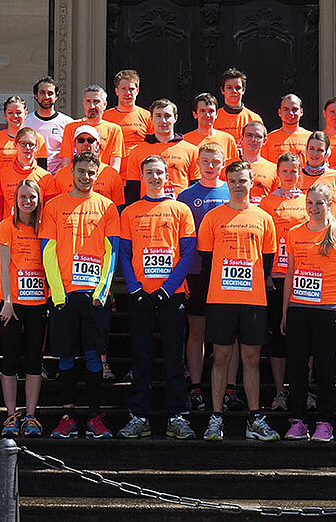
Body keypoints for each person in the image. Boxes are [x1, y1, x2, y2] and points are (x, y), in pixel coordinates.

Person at [117, 155, 197, 440]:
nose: (154, 177)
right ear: (141, 176)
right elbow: (124, 254)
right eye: (149, 172)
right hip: (140, 296)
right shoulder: (129, 212)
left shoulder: (181, 210)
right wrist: (136, 288)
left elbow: (188, 253)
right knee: (141, 356)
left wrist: (168, 287)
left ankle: (178, 415)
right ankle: (139, 416)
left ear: (167, 176)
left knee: (174, 357)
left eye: (159, 172)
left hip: (172, 295)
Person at [198, 161, 279, 442]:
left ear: (251, 181)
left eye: (242, 180)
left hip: (254, 299)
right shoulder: (213, 216)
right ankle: (215, 417)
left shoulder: (263, 217)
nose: (237, 185)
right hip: (220, 298)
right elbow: (206, 260)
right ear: (227, 181)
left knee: (251, 359)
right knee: (220, 358)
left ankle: (255, 418)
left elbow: (267, 260)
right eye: (232, 180)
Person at [41, 151, 120, 439]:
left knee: (93, 356)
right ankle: (68, 416)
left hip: (95, 295)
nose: (86, 176)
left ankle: (95, 415)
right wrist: (58, 294)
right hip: (64, 296)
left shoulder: (108, 207)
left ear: (97, 174)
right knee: (65, 357)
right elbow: (48, 251)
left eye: (91, 172)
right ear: (71, 172)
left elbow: (112, 251)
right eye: (81, 171)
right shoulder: (54, 206)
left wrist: (102, 290)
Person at [281, 184, 336, 443]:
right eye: (310, 203)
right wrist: (284, 312)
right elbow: (289, 275)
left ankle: (325, 422)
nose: (313, 208)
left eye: (319, 203)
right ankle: (297, 420)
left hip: (329, 309)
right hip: (299, 309)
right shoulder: (294, 233)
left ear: (329, 204)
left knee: (325, 370)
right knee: (297, 369)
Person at [177, 143, 230, 412]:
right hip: (196, 272)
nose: (210, 166)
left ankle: (229, 389)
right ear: (197, 164)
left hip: (226, 274)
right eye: (205, 161)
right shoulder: (186, 195)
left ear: (223, 163)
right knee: (196, 330)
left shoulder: (231, 191)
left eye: (215, 161)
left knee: (227, 334)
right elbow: (179, 240)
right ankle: (196, 386)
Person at [0, 179, 47, 437]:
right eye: (23, 197)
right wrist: (6, 301)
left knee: (35, 360)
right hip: (13, 304)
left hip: (39, 301)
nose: (27, 201)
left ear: (39, 199)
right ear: (15, 199)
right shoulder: (7, 226)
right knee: (9, 359)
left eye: (32, 197)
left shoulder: (45, 225)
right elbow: (3, 267)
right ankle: (10, 415)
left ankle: (30, 415)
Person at [259, 153, 307, 411]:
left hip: (306, 278)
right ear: (278, 173)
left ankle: (304, 389)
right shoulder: (267, 202)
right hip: (276, 277)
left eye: (294, 171)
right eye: (285, 171)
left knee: (304, 339)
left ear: (300, 173)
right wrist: (266, 272)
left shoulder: (308, 200)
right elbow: (264, 241)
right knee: (278, 335)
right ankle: (279, 392)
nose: (290, 176)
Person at [124, 98, 199, 202]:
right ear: (151, 119)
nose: (163, 121)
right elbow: (133, 188)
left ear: (175, 118)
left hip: (180, 208)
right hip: (147, 212)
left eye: (167, 116)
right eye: (158, 116)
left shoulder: (191, 151)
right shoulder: (137, 151)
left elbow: (195, 186)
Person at [0, 127, 55, 219]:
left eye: (31, 144)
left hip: (37, 229)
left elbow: (50, 211)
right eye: (23, 144)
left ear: (37, 147)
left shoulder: (46, 177)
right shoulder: (2, 174)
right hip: (10, 229)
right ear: (15, 145)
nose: (27, 148)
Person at [51, 125, 125, 206]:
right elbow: (55, 205)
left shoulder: (112, 174)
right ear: (74, 144)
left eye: (90, 140)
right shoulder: (61, 174)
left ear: (97, 144)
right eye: (81, 140)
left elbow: (117, 208)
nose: (86, 144)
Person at [60, 85, 125, 171]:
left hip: (102, 178)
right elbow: (66, 161)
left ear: (105, 104)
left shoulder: (114, 129)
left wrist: (110, 180)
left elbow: (115, 163)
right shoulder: (71, 127)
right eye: (88, 101)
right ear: (83, 104)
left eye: (96, 101)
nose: (92, 106)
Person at [103, 69, 152, 179]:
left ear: (137, 91)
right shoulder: (105, 117)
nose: (127, 93)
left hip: (139, 175)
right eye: (123, 89)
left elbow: (154, 145)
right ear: (116, 91)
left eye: (131, 89)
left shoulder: (147, 116)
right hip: (112, 174)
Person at [299, 132, 336, 218]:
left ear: (327, 153)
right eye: (311, 149)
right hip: (303, 230)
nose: (314, 153)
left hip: (331, 230)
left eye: (320, 150)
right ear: (306, 150)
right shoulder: (295, 177)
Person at [24, 77, 72, 174]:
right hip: (32, 176)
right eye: (42, 93)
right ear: (35, 96)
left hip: (58, 176)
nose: (46, 97)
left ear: (56, 96)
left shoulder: (68, 123)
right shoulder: (25, 122)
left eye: (50, 93)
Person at [0, 96, 48, 169]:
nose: (15, 116)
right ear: (5, 115)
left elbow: (42, 170)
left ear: (25, 114)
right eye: (10, 113)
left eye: (18, 113)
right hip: (3, 180)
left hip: (29, 180)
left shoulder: (37, 138)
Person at [183, 92, 240, 170]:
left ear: (216, 114)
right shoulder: (185, 140)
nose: (207, 115)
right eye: (202, 111)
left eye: (211, 111)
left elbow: (234, 169)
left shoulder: (228, 139)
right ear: (195, 114)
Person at [214, 67, 263, 146]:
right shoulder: (214, 118)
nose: (234, 91)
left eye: (238, 88)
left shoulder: (254, 119)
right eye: (229, 88)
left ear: (243, 90)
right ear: (222, 90)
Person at [261, 94, 313, 165]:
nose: (290, 113)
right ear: (279, 112)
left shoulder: (311, 138)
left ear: (301, 112)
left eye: (294, 109)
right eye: (286, 109)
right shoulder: (269, 139)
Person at [239, 121, 278, 202]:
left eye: (258, 137)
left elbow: (275, 200)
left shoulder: (274, 169)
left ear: (264, 141)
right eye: (249, 135)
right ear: (242, 138)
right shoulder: (228, 166)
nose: (253, 140)